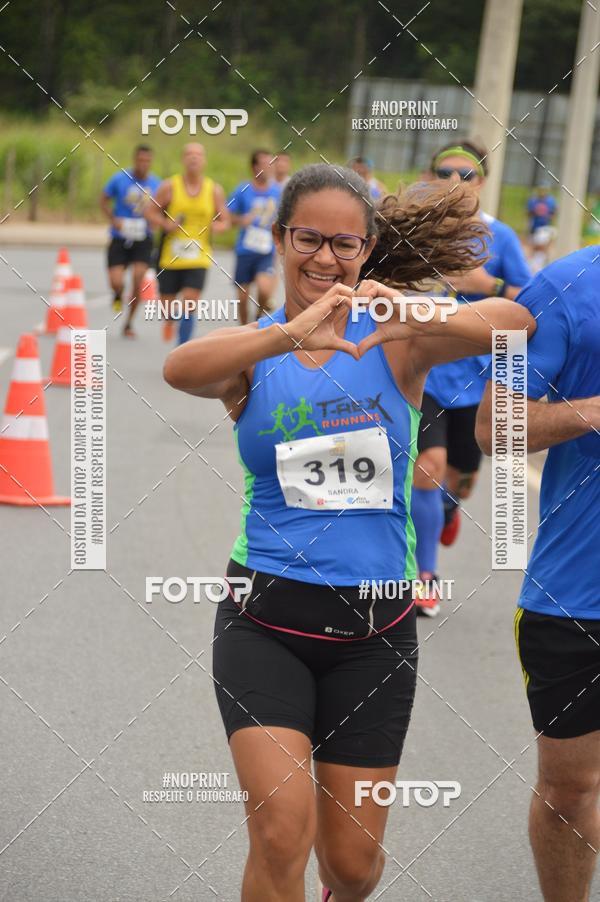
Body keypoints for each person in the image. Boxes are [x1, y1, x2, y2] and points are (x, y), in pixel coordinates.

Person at [164, 163, 536, 902]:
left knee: (355, 866)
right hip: (262, 619)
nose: (325, 258)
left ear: (367, 250)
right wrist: (283, 336)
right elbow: (180, 367)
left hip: (375, 632)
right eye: (309, 239)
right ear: (279, 238)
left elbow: (514, 324)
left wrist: (414, 311)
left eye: (345, 243)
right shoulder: (256, 352)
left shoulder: (399, 341)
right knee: (278, 832)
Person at [475, 245, 600, 902]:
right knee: (569, 793)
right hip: (577, 599)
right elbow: (494, 426)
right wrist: (593, 410)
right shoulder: (562, 289)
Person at [411, 138, 532, 617]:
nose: (456, 183)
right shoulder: (415, 233)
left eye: (467, 175)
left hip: (482, 378)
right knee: (430, 467)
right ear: (431, 177)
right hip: (424, 372)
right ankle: (424, 574)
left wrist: (490, 288)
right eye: (445, 173)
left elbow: (532, 299)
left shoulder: (501, 238)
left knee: (459, 479)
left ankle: (445, 511)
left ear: (483, 182)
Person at [146, 143, 229, 344]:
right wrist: (166, 224)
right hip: (170, 255)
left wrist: (215, 226)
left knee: (190, 304)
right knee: (168, 307)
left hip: (198, 256)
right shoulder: (169, 186)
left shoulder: (213, 189)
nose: (194, 158)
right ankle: (169, 320)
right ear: (183, 160)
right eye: (190, 155)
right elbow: (149, 212)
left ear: (204, 161)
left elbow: (225, 221)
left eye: (198, 155)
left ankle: (181, 348)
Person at [100, 144, 160, 336]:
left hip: (143, 238)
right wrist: (113, 219)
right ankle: (118, 293)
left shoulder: (156, 184)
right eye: (140, 160)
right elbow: (103, 200)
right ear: (135, 160)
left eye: (147, 161)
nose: (143, 164)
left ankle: (128, 323)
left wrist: (156, 222)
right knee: (116, 281)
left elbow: (163, 209)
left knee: (138, 277)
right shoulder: (120, 179)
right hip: (120, 237)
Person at [228, 149, 282, 324]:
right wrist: (241, 219)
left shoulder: (278, 192)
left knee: (265, 291)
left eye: (270, 164)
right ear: (254, 167)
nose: (268, 168)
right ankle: (243, 330)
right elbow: (227, 215)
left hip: (266, 250)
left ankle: (259, 317)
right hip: (245, 249)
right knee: (242, 298)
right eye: (264, 164)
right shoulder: (243, 189)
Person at [527, 185, 557, 273]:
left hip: (545, 227)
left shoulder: (550, 201)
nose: (542, 192)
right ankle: (535, 265)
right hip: (535, 226)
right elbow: (529, 213)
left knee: (543, 247)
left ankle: (543, 264)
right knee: (535, 247)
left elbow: (554, 213)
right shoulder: (533, 201)